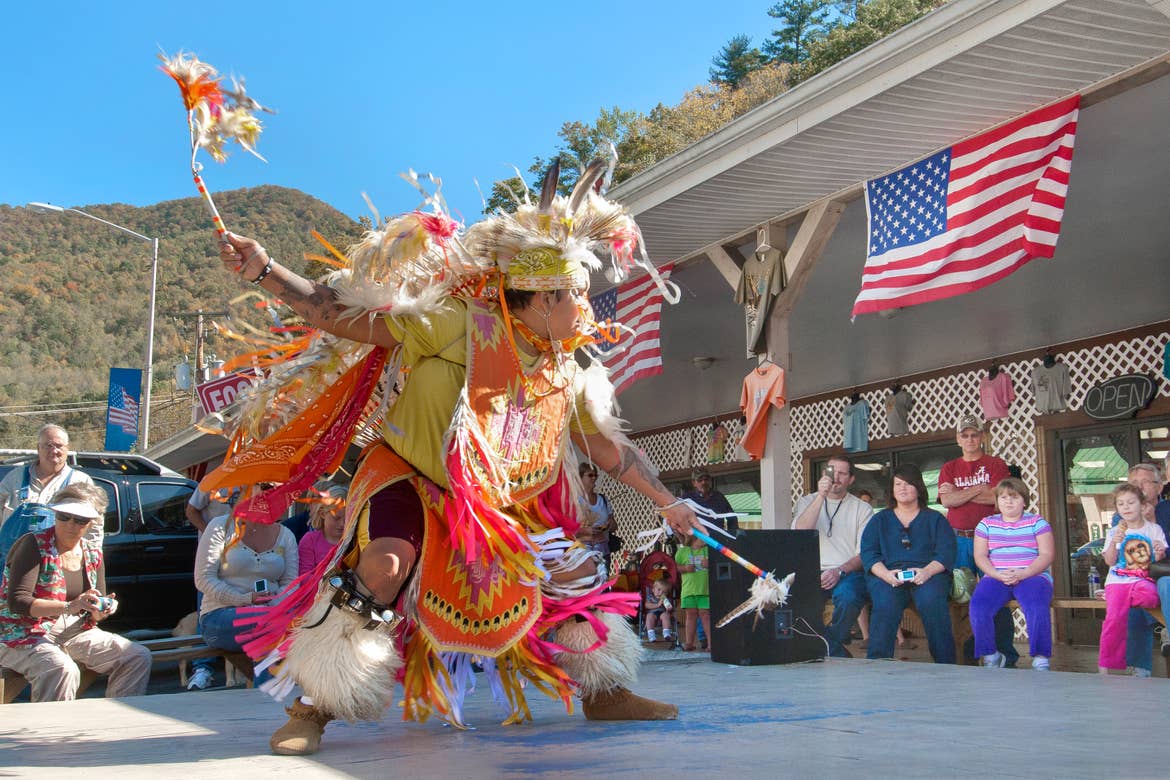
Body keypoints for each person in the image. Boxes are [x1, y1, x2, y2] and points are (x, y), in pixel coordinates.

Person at [203, 163, 700, 755]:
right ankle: (311, 708)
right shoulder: (460, 323)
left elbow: (605, 447)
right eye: (577, 294)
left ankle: (604, 690)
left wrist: (669, 503)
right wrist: (266, 270)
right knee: (386, 566)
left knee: (569, 572)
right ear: (543, 298)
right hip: (411, 476)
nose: (587, 307)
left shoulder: (565, 366)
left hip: (493, 500)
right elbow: (341, 315)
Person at [0, 483, 150, 701]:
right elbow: (18, 602)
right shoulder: (33, 544)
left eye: (80, 519)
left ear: (91, 523)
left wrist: (101, 608)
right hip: (22, 632)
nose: (70, 524)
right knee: (61, 670)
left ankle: (119, 726)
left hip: (75, 630)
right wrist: (70, 606)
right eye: (64, 516)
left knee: (136, 656)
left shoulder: (92, 553)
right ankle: (52, 732)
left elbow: (93, 611)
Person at [937, 414, 1017, 666]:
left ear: (982, 437)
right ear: (958, 439)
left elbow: (998, 497)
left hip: (992, 539)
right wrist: (979, 491)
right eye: (965, 435)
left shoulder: (996, 464)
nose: (970, 439)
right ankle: (971, 655)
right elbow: (947, 501)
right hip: (959, 541)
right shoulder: (949, 467)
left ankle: (1006, 655)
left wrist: (961, 494)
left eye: (974, 434)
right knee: (962, 596)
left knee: (999, 595)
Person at [860, 464, 957, 664]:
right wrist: (886, 574)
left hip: (929, 574)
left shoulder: (935, 519)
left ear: (919, 487)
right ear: (892, 490)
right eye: (898, 484)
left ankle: (945, 663)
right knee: (885, 604)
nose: (902, 488)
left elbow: (946, 552)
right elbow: (869, 554)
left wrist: (927, 572)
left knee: (931, 601)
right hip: (887, 575)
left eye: (908, 484)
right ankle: (877, 664)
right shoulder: (880, 520)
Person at [192, 506, 298, 687]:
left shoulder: (286, 534)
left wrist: (271, 604)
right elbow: (203, 579)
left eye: (275, 488)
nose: (270, 492)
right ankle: (267, 701)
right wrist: (245, 600)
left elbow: (290, 583)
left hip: (269, 616)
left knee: (287, 626)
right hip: (219, 616)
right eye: (263, 486)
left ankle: (272, 699)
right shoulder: (220, 526)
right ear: (246, 489)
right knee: (272, 626)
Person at [969, 478, 1054, 670]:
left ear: (1024, 500)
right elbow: (980, 556)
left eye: (1014, 497)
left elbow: (1047, 554)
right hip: (996, 576)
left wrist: (1025, 573)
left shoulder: (1037, 522)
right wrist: (996, 574)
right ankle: (991, 655)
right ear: (997, 501)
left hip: (1033, 575)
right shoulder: (986, 524)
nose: (1008, 501)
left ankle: (1041, 658)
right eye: (1003, 497)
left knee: (1036, 606)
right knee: (978, 607)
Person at [791, 456, 871, 657]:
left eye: (842, 473)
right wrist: (820, 496)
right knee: (793, 603)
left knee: (849, 596)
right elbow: (800, 533)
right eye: (831, 471)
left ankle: (831, 644)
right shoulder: (807, 502)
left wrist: (838, 571)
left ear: (851, 480)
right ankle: (837, 651)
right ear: (822, 475)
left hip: (847, 571)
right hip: (811, 571)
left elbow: (864, 554)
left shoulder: (862, 508)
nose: (835, 477)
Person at [0, 424, 98, 561]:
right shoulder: (14, 478)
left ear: (67, 449)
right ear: (38, 448)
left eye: (59, 446)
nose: (54, 450)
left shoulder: (80, 481)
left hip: (58, 565)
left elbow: (94, 525)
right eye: (48, 445)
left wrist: (90, 560)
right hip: (11, 564)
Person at [1099, 483, 1166, 676]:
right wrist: (1114, 542)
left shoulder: (1153, 530)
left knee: (1152, 597)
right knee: (1114, 619)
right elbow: (1110, 560)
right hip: (1117, 582)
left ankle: (1119, 600)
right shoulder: (1114, 531)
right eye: (1121, 504)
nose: (1126, 507)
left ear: (1142, 505)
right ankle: (1106, 664)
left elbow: (1158, 559)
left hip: (1141, 581)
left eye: (1131, 502)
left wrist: (1159, 551)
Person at [1118, 464, 1170, 668]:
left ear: (1159, 487)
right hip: (1137, 576)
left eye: (1145, 482)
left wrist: (1152, 521)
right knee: (1132, 599)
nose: (1139, 487)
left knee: (1166, 585)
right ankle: (1139, 670)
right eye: (1134, 483)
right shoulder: (1122, 513)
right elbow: (1118, 555)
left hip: (1165, 574)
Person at [575, 462, 616, 574]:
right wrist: (585, 531)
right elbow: (566, 529)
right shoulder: (575, 501)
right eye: (590, 475)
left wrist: (610, 524)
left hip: (603, 551)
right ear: (580, 477)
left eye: (595, 475)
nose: (594, 478)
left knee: (603, 583)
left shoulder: (602, 499)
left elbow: (614, 525)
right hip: (583, 552)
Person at [298, 485, 347, 576]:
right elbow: (304, 577)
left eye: (348, 518)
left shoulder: (353, 541)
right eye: (336, 518)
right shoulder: (310, 540)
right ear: (322, 514)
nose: (342, 524)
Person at [675, 533, 710, 652]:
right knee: (690, 616)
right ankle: (689, 643)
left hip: (704, 590)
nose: (706, 538)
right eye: (703, 536)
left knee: (705, 615)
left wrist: (710, 564)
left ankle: (711, 644)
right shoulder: (683, 551)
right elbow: (675, 567)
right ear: (694, 538)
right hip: (688, 590)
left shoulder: (708, 550)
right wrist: (685, 569)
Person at [681, 467, 738, 535]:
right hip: (697, 539)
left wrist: (732, 535)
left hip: (717, 539)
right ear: (694, 483)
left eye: (706, 479)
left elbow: (732, 517)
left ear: (710, 480)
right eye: (700, 480)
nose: (704, 482)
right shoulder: (687, 499)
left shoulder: (719, 497)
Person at [642, 577, 675, 643]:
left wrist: (669, 608)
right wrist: (657, 605)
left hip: (662, 614)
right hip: (652, 613)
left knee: (666, 615)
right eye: (659, 590)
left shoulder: (666, 599)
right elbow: (646, 605)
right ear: (653, 590)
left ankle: (666, 633)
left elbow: (670, 609)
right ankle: (651, 634)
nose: (660, 593)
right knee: (649, 616)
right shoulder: (650, 597)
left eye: (664, 592)